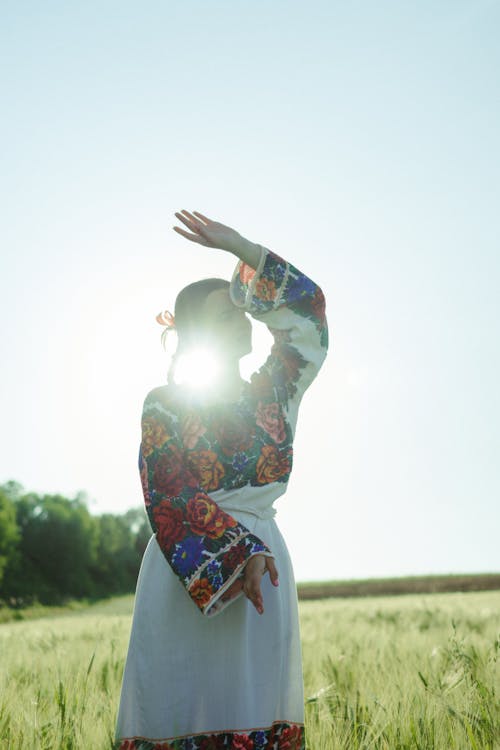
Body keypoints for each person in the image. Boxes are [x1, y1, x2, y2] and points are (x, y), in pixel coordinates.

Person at [114, 209, 329, 750]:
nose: (239, 317)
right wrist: (240, 552)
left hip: (267, 574)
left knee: (252, 707)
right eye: (223, 312)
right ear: (193, 335)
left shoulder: (277, 391)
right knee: (180, 704)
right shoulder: (164, 405)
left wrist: (242, 248)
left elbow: (308, 314)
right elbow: (168, 493)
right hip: (187, 570)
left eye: (240, 308)